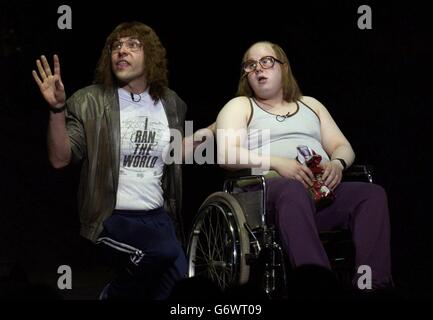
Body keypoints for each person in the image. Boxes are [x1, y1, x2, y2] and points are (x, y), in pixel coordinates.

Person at [32, 21, 212, 299]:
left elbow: (171, 152)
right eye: (116, 46)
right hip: (112, 216)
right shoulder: (89, 101)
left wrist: (210, 134)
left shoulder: (171, 103)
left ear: (151, 54)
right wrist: (57, 109)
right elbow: (60, 158)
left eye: (132, 45)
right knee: (158, 252)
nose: (121, 51)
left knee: (175, 287)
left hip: (158, 217)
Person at [216, 41, 393, 290]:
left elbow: (343, 146)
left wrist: (337, 164)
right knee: (292, 189)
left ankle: (374, 286)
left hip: (318, 194)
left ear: (283, 68)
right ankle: (319, 287)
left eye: (266, 61)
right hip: (266, 195)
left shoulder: (311, 104)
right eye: (250, 64)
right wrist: (278, 164)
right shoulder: (241, 106)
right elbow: (226, 156)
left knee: (371, 195)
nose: (257, 69)